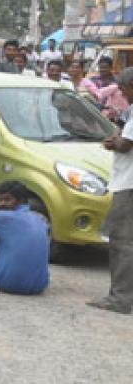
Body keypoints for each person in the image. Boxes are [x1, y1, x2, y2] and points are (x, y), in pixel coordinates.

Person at [91, 69, 133, 313]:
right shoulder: (129, 112)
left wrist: (111, 143)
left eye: (123, 88)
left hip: (128, 184)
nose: (122, 93)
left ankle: (120, 298)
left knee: (121, 242)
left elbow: (124, 144)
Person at [0, 180, 50, 295]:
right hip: (40, 286)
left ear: (21, 201)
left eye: (7, 199)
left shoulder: (2, 217)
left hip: (8, 284)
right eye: (0, 200)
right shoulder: (40, 219)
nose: (1, 204)